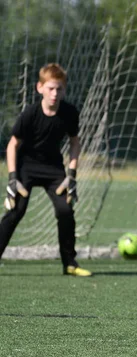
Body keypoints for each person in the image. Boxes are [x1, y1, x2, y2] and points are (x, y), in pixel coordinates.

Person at [0, 63, 90, 276]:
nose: (55, 93)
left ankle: (70, 263)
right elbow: (13, 145)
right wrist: (13, 179)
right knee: (15, 211)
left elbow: (75, 143)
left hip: (53, 169)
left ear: (64, 89)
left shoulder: (69, 113)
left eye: (59, 88)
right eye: (50, 88)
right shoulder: (30, 113)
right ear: (39, 88)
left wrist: (72, 175)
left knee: (65, 210)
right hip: (26, 168)